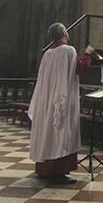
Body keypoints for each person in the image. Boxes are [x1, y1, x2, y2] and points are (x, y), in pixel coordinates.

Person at [28, 22, 94, 184]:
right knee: (61, 132)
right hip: (62, 98)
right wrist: (87, 55)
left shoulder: (47, 53)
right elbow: (79, 69)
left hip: (47, 99)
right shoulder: (68, 50)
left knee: (46, 132)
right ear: (64, 32)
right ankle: (57, 173)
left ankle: (43, 169)